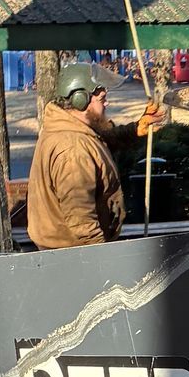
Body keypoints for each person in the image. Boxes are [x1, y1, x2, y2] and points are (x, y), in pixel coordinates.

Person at [25, 58, 165, 248]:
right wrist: (103, 260)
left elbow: (98, 142)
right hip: (72, 254)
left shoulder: (72, 129)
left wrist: (135, 129)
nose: (106, 105)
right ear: (80, 100)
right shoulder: (73, 150)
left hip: (71, 249)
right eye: (101, 100)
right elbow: (82, 221)